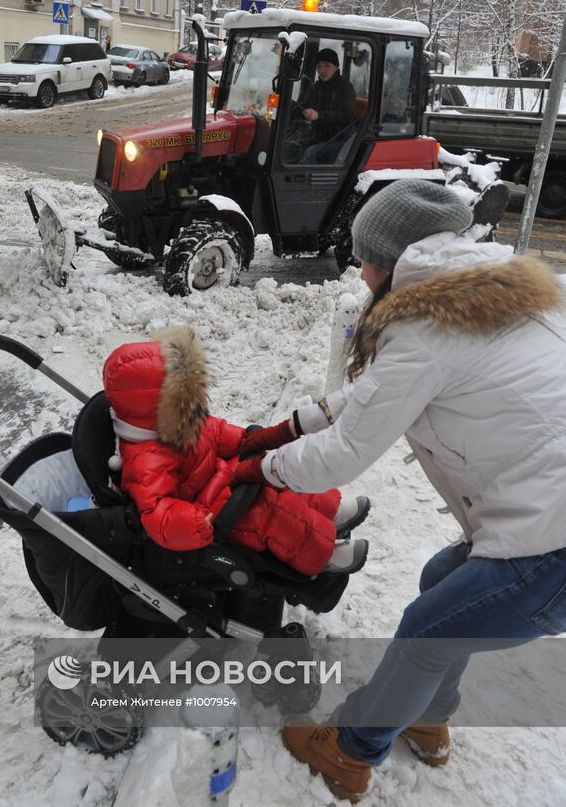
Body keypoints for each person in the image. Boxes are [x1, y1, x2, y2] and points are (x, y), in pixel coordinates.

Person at [234, 179, 566, 802]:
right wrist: (285, 429)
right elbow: (376, 396)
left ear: (395, 261)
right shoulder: (488, 296)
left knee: (426, 630)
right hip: (548, 516)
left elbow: (345, 453)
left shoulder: (424, 327)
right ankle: (425, 715)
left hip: (555, 546)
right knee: (444, 578)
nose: (360, 272)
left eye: (366, 259)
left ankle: (350, 753)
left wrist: (262, 470)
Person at [102, 325, 370, 576]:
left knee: (276, 471)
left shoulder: (179, 420)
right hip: (214, 513)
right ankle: (323, 553)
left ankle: (331, 510)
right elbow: (160, 516)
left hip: (224, 480)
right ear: (155, 406)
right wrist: (200, 521)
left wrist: (246, 440)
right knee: (271, 511)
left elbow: (216, 433)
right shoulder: (144, 460)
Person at [286, 48, 356, 164]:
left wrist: (319, 115)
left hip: (339, 139)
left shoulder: (345, 87)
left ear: (336, 67)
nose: (322, 70)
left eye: (327, 65)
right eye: (319, 66)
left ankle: (302, 180)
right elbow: (303, 105)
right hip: (319, 136)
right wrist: (289, 107)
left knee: (311, 152)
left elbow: (346, 116)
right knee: (292, 146)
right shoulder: (316, 87)